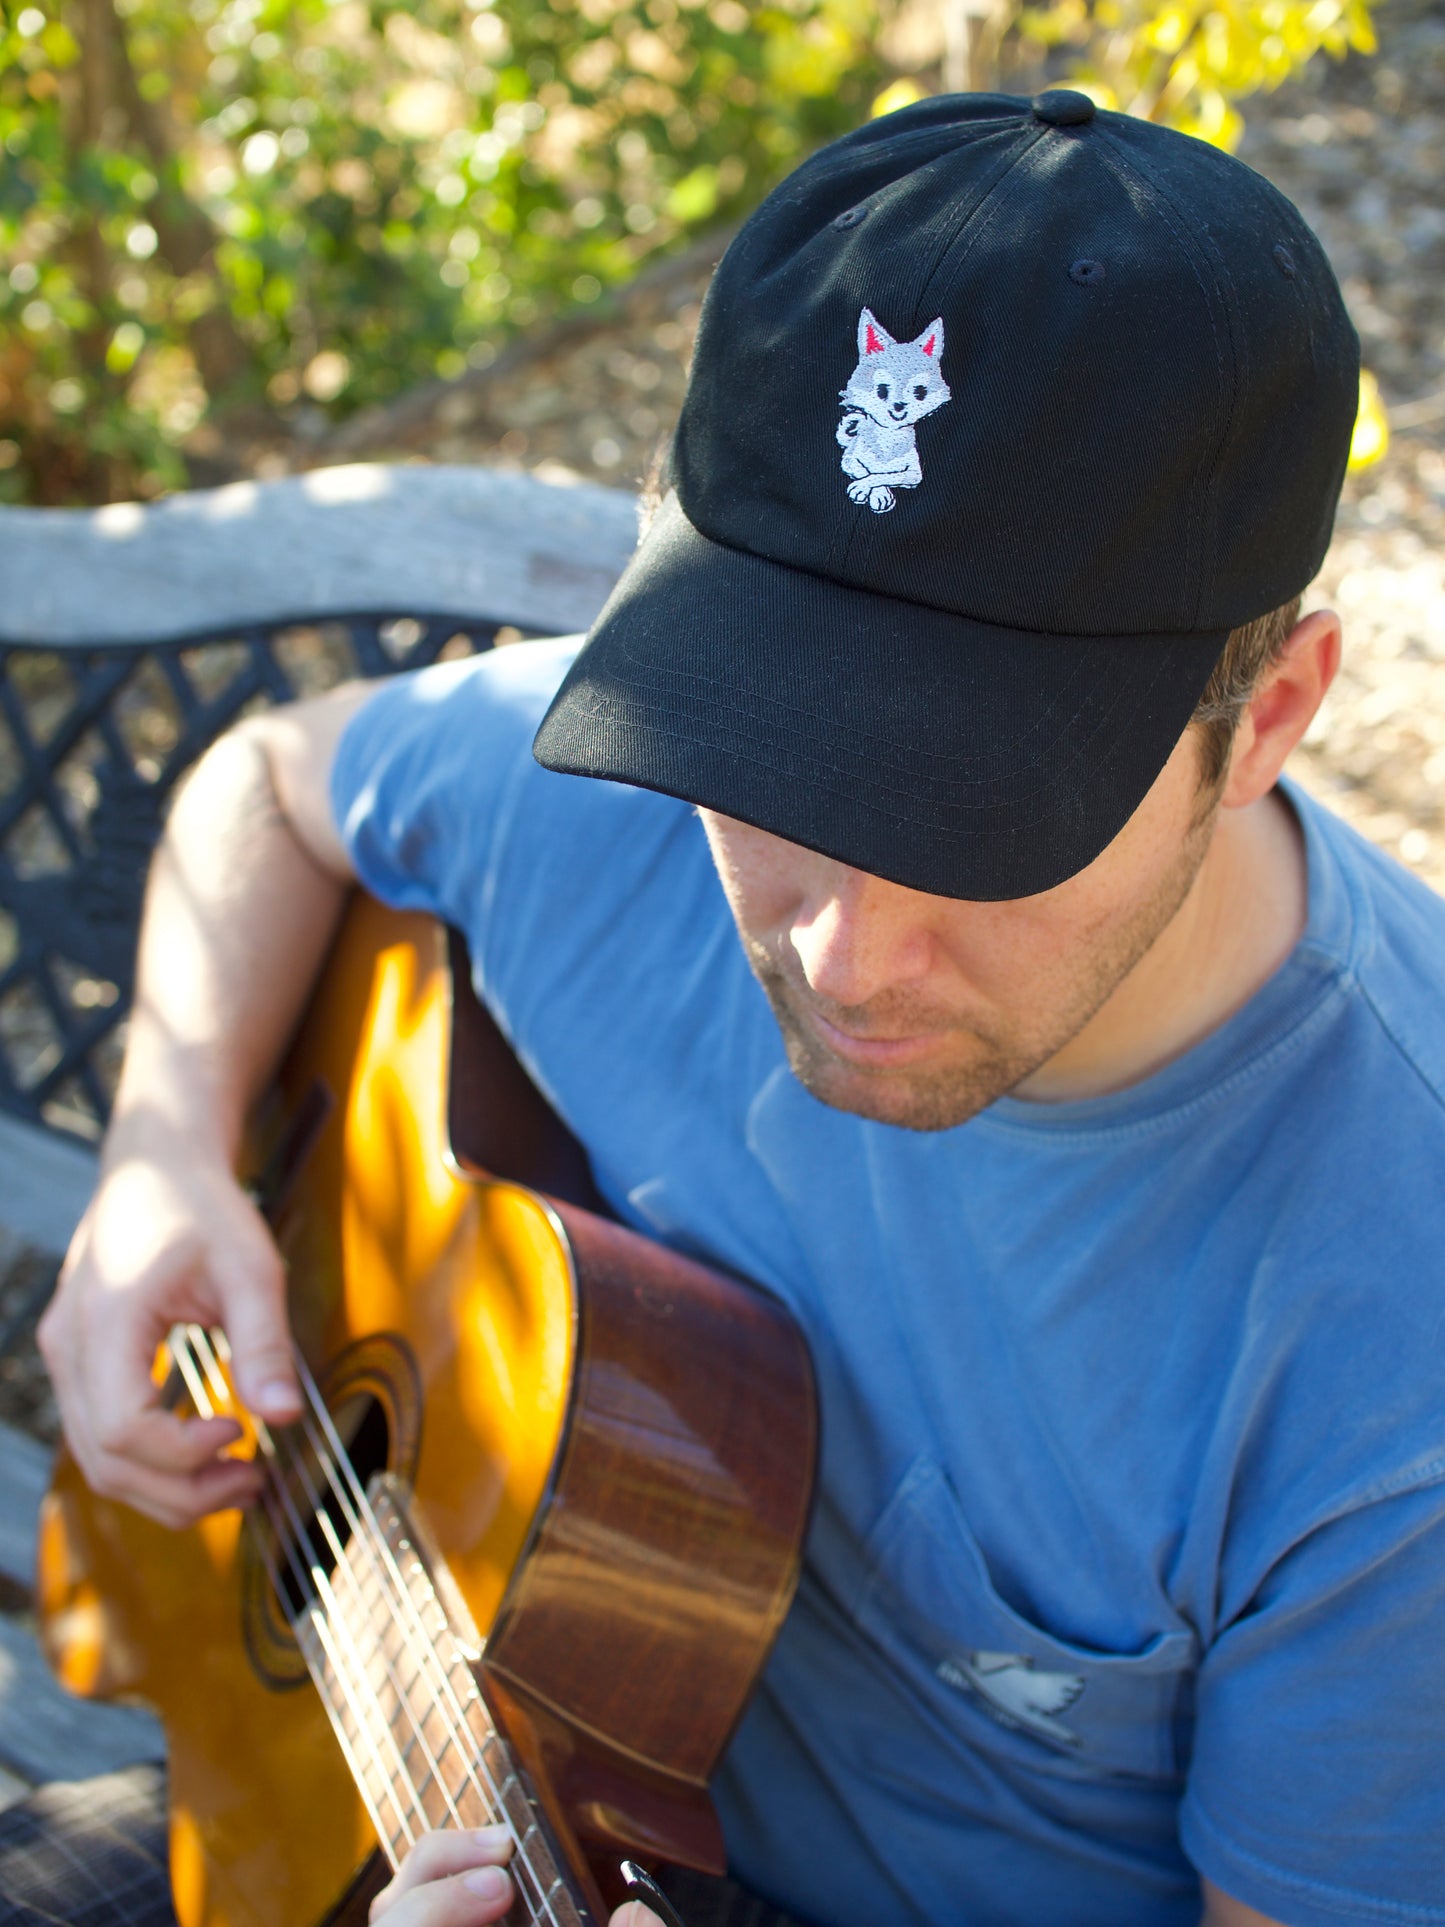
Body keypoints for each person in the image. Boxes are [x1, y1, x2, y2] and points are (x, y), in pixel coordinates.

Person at [22, 86, 1445, 1927]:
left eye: (978, 826)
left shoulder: (1391, 1341)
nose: (839, 961)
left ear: (1263, 715)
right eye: (770, 775)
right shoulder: (602, 800)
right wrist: (162, 1153)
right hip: (436, 1723)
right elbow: (273, 791)